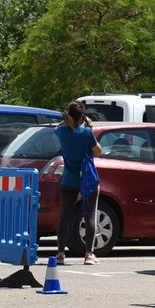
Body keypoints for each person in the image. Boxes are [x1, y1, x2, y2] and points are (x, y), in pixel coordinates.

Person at [54, 102, 103, 266]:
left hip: (68, 179)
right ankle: (89, 254)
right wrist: (87, 125)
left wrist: (68, 120)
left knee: (65, 216)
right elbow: (98, 151)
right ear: (82, 117)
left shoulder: (61, 132)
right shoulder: (86, 133)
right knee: (89, 215)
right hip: (87, 179)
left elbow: (59, 126)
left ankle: (60, 253)